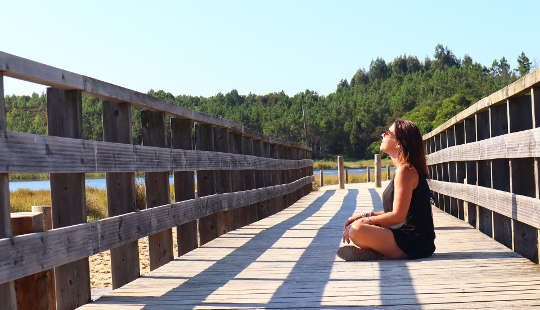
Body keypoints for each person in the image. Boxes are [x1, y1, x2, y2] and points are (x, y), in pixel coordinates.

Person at [338, 120, 435, 260]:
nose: (382, 135)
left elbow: (398, 216)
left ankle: (381, 252)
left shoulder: (406, 171)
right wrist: (364, 215)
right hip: (414, 239)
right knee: (358, 226)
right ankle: (378, 251)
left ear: (399, 143)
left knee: (357, 230)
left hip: (415, 242)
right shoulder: (404, 170)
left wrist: (367, 221)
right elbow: (399, 211)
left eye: (388, 133)